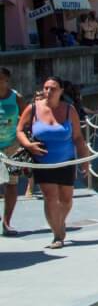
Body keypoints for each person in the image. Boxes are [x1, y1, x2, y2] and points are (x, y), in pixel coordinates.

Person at [16, 76, 91, 249]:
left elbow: (78, 138)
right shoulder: (33, 108)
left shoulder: (69, 110)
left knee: (66, 199)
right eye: (46, 88)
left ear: (61, 91)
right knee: (50, 197)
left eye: (53, 88)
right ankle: (57, 235)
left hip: (66, 161)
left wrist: (84, 161)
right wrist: (28, 144)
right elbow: (20, 130)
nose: (49, 91)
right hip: (43, 161)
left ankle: (59, 222)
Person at [0, 68, 26, 236]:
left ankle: (7, 222)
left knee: (12, 183)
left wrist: (22, 137)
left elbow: (26, 117)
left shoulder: (16, 97)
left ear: (7, 79)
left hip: (13, 147)